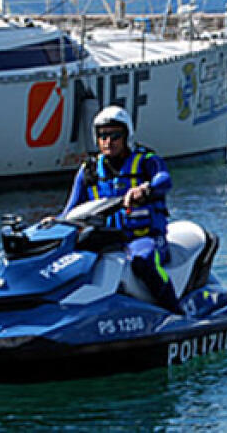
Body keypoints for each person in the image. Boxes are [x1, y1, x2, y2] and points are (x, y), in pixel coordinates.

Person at [56, 106, 179, 313]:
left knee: (144, 261)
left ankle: (175, 310)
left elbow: (164, 180)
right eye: (103, 136)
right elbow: (71, 209)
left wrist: (145, 189)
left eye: (115, 135)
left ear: (127, 136)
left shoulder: (147, 161)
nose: (108, 141)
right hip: (106, 241)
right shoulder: (90, 171)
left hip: (143, 237)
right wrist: (54, 222)